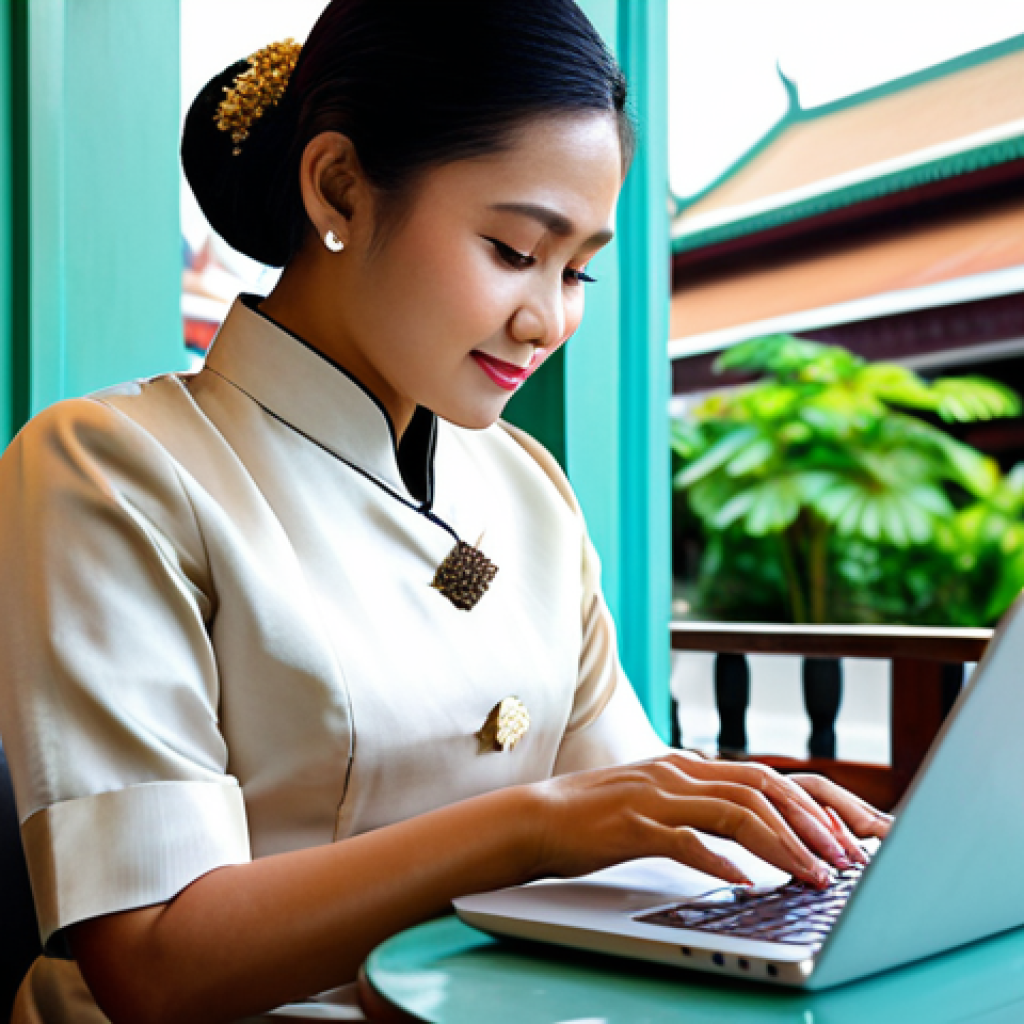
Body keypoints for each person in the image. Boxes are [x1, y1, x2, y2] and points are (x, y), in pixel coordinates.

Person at [0, 1, 891, 1021]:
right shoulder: (110, 468)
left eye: (580, 268)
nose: (547, 317)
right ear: (339, 185)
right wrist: (533, 826)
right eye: (515, 249)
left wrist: (782, 837)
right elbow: (156, 963)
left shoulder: (527, 487)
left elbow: (635, 808)